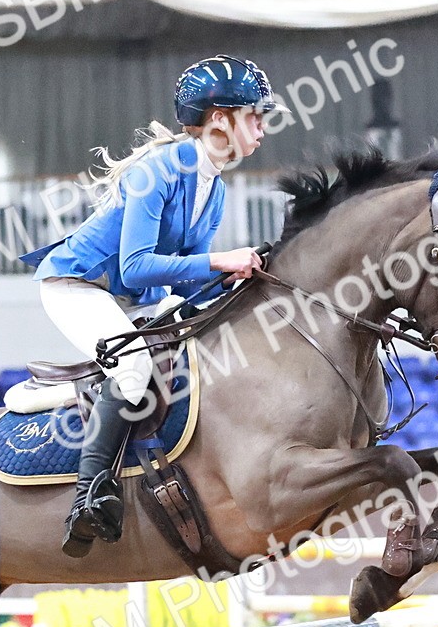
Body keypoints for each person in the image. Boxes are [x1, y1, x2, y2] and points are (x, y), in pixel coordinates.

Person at [20, 55, 288, 558]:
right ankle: (88, 497)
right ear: (219, 121)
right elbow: (140, 265)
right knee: (136, 364)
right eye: (255, 115)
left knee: (194, 347)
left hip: (130, 297)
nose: (262, 128)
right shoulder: (157, 171)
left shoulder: (216, 187)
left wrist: (245, 283)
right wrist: (217, 259)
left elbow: (187, 282)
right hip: (77, 285)